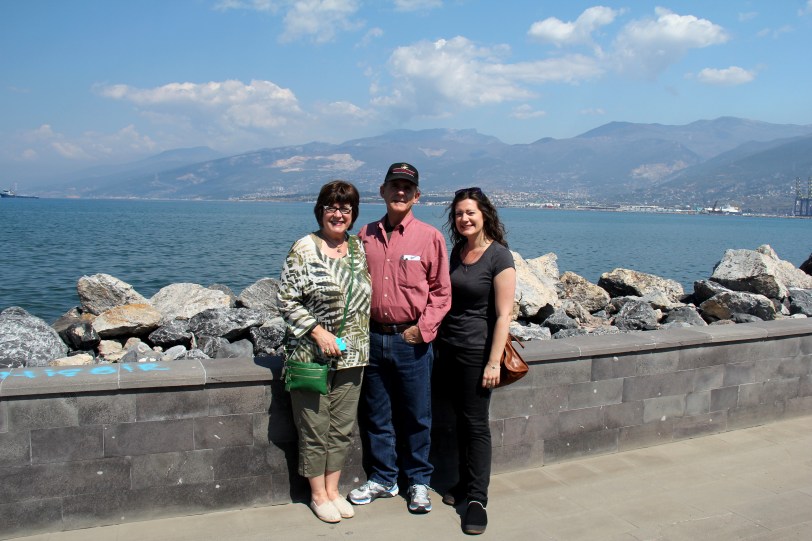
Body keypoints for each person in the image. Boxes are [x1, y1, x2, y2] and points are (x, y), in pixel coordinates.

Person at [349, 162, 451, 514]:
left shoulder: (430, 237)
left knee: (416, 415)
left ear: (417, 195)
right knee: (377, 415)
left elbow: (441, 293)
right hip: (374, 338)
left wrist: (422, 330)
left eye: (407, 187)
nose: (400, 192)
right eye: (394, 186)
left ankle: (419, 481)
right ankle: (383, 478)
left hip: (412, 342)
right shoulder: (365, 235)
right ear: (383, 191)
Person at [278, 180, 372, 524]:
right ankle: (318, 494)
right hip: (311, 357)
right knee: (314, 427)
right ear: (320, 210)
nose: (338, 214)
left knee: (342, 427)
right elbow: (286, 299)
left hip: (354, 354)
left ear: (353, 214)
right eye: (331, 207)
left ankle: (334, 489)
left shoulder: (358, 249)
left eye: (345, 208)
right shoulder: (304, 248)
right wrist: (318, 333)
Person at [437, 187, 516, 535]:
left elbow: (503, 316)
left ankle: (477, 501)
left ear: (484, 214)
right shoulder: (457, 251)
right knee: (459, 421)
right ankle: (463, 484)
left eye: (470, 212)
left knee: (476, 425)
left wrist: (493, 362)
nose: (464, 218)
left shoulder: (500, 257)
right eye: (458, 214)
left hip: (476, 353)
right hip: (447, 349)